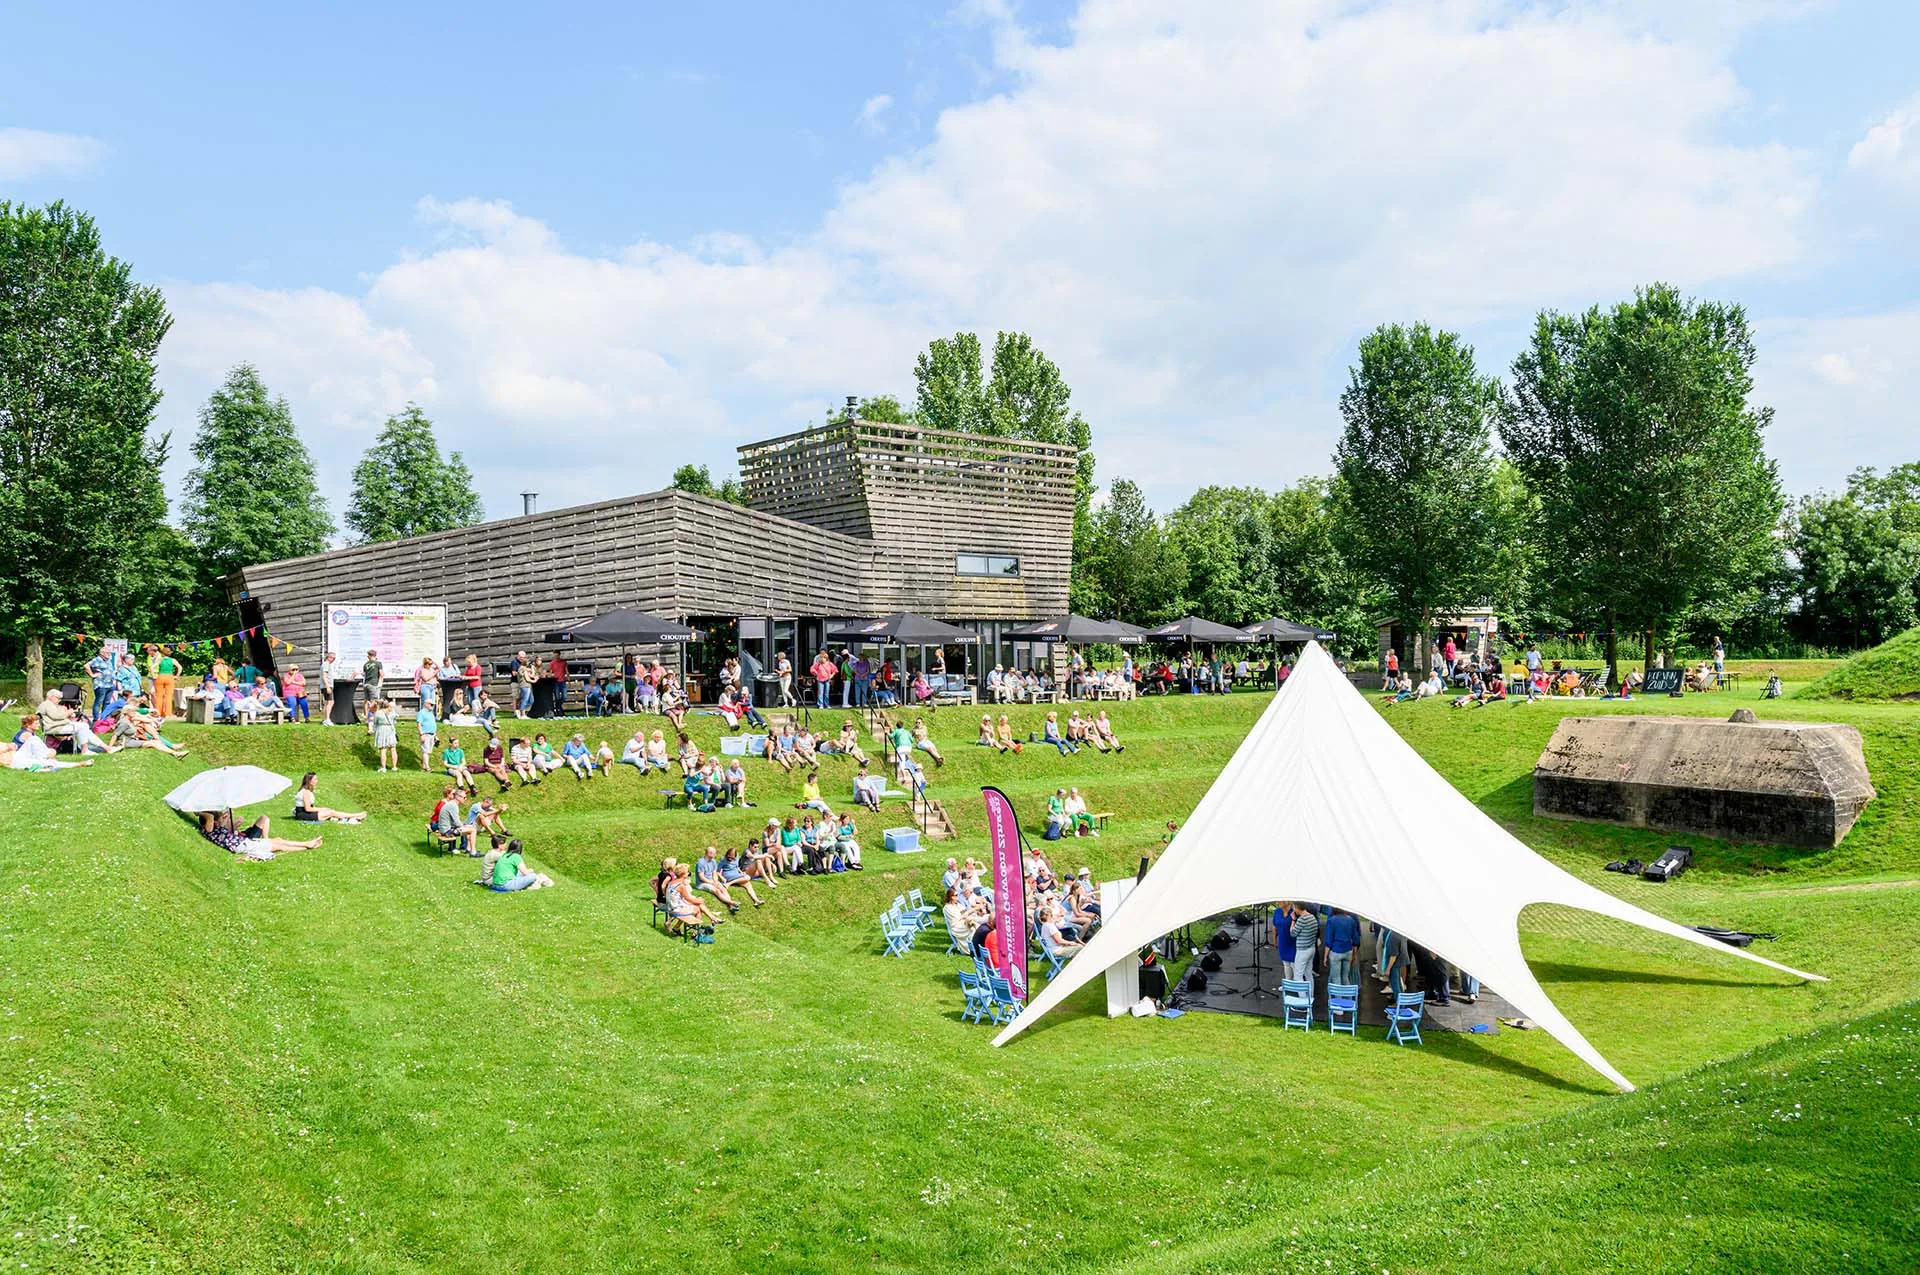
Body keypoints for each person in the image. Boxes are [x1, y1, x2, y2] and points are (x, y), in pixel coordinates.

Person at [199, 809, 320, 860]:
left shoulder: (216, 829)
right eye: (218, 820)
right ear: (211, 822)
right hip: (242, 845)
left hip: (244, 842)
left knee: (278, 841)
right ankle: (307, 845)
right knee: (279, 846)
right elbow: (208, 816)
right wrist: (200, 813)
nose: (221, 821)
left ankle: (307, 844)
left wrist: (223, 815)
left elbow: (222, 819)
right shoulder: (209, 830)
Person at [37, 691, 114, 754]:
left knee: (85, 728)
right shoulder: (47, 704)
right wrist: (68, 712)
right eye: (58, 698)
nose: (59, 700)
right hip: (55, 728)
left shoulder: (51, 705)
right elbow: (57, 716)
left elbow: (58, 715)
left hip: (59, 726)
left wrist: (65, 711)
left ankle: (106, 747)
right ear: (51, 696)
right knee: (83, 726)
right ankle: (85, 750)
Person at [292, 772, 365, 824]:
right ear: (309, 781)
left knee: (330, 812)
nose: (317, 781)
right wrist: (323, 808)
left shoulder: (306, 790)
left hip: (305, 813)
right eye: (315, 779)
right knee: (330, 812)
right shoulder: (306, 792)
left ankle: (353, 816)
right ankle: (356, 815)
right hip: (303, 814)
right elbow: (308, 809)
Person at [431, 787, 478, 855]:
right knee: (473, 830)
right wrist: (464, 826)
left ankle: (468, 849)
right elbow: (456, 822)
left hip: (446, 828)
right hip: (447, 831)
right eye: (464, 797)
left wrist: (465, 826)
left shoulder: (452, 803)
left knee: (470, 827)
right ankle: (473, 852)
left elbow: (455, 821)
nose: (465, 799)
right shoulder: (453, 805)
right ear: (458, 797)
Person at [1321, 908, 1360, 986]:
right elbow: (1355, 940)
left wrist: (1325, 956)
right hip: (1348, 951)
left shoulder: (1331, 921)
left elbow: (1328, 940)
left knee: (1336, 979)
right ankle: (1348, 997)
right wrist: (1354, 955)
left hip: (1336, 952)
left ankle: (1338, 998)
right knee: (1345, 978)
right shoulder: (1351, 920)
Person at [1288, 904, 1321, 986]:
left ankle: (1303, 998)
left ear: (1297, 908)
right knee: (1308, 974)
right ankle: (1310, 996)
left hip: (1302, 950)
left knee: (1298, 976)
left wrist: (1293, 920)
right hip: (1311, 948)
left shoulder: (1302, 919)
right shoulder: (1312, 917)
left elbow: (1292, 933)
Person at [369, 699, 400, 772]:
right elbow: (395, 721)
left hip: (381, 729)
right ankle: (394, 767)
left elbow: (375, 722)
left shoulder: (378, 713)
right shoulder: (392, 712)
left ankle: (383, 767)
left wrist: (373, 730)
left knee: (383, 749)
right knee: (393, 748)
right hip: (391, 729)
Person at [320, 650, 340, 725]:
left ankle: (325, 719)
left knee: (326, 703)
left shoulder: (326, 664)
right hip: (327, 686)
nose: (333, 660)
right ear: (328, 657)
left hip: (326, 686)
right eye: (332, 658)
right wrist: (328, 687)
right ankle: (327, 719)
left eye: (334, 658)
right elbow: (324, 676)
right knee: (330, 702)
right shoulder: (326, 664)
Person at [361, 650, 384, 715]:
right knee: (374, 701)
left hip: (366, 684)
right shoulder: (378, 663)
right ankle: (373, 716)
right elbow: (382, 674)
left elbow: (364, 674)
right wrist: (380, 683)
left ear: (368, 656)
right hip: (373, 684)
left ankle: (366, 716)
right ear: (375, 655)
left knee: (366, 701)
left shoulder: (366, 664)